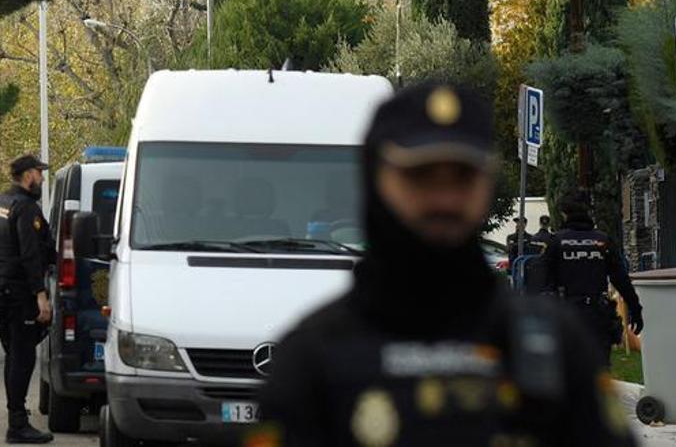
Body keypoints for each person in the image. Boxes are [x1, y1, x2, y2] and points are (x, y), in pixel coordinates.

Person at [249, 82, 636, 446]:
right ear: (376, 179)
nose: (445, 199)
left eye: (463, 177)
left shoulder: (554, 346)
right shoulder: (312, 358)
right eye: (421, 176)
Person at [0, 154, 55, 444]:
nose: (41, 178)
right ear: (28, 175)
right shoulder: (26, 208)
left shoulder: (0, 203)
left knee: (13, 355)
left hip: (0, 289)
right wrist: (41, 296)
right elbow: (30, 254)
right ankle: (17, 425)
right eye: (39, 173)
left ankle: (16, 418)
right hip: (19, 292)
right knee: (23, 357)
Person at [543, 190, 644, 365]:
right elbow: (621, 279)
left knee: (569, 372)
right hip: (598, 316)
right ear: (588, 212)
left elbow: (541, 281)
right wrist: (635, 308)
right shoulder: (602, 240)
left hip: (567, 315)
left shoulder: (556, 242)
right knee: (599, 372)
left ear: (564, 213)